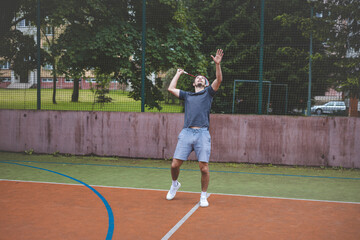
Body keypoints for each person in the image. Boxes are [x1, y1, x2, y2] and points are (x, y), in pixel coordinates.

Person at [166, 49, 224, 207]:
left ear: (205, 84)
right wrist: (178, 73)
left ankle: (203, 196)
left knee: (204, 168)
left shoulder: (208, 93)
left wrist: (217, 65)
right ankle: (174, 184)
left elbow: (218, 80)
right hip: (186, 132)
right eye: (197, 78)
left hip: (202, 134)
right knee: (174, 165)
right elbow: (171, 89)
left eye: (202, 78)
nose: (199, 79)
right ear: (193, 83)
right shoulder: (187, 95)